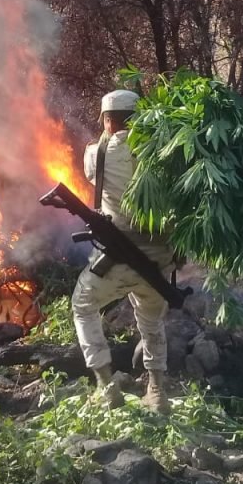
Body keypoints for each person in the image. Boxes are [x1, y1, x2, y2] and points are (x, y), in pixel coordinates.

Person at [71, 89, 175, 413]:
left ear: (107, 121)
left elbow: (92, 172)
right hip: (159, 259)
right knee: (151, 321)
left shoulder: (95, 155)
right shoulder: (165, 151)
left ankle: (106, 386)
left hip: (118, 258)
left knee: (83, 303)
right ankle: (157, 392)